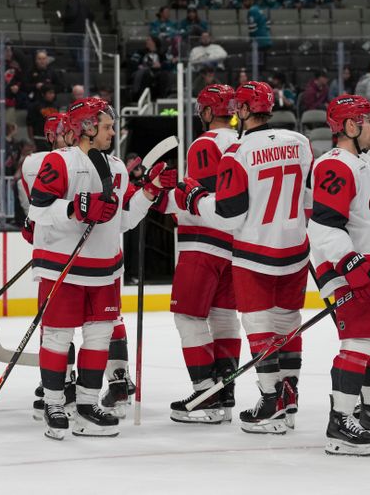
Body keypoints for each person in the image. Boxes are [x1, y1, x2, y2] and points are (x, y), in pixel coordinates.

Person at [28, 97, 173, 439]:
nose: (112, 132)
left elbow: (121, 221)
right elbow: (37, 211)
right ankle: (53, 404)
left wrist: (148, 194)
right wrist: (78, 208)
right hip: (63, 267)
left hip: (106, 270)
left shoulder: (119, 168)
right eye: (107, 126)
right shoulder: (59, 161)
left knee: (99, 338)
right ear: (88, 128)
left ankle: (88, 405)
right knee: (59, 337)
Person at [173, 81, 313, 434]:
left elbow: (228, 213)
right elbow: (309, 198)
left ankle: (266, 401)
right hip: (295, 250)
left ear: (243, 110)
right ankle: (288, 394)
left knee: (258, 326)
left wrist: (191, 200)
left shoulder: (237, 152)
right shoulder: (300, 143)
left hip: (251, 251)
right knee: (287, 322)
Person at [307, 95, 370, 456]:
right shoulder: (335, 164)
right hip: (352, 270)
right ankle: (340, 420)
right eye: (368, 121)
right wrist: (349, 262)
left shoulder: (363, 163)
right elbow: (323, 226)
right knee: (360, 343)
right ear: (349, 126)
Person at [165, 85, 241, 424]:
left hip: (201, 241)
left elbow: (202, 195)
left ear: (209, 112)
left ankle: (205, 393)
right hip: (235, 245)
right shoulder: (243, 143)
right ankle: (224, 393)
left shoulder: (205, 143)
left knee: (189, 317)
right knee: (224, 318)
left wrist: (165, 196)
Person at [63, 0, 93, 66]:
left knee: (76, 54)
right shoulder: (84, 2)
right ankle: (82, 72)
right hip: (81, 31)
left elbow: (72, 14)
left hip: (72, 31)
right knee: (80, 53)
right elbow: (91, 15)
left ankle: (83, 73)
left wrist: (63, 18)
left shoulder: (72, 1)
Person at [26, 85, 60, 149]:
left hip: (52, 139)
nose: (52, 95)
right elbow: (29, 124)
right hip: (39, 138)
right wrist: (31, 140)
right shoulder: (34, 106)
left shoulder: (56, 105)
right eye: (50, 93)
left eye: (53, 93)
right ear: (43, 94)